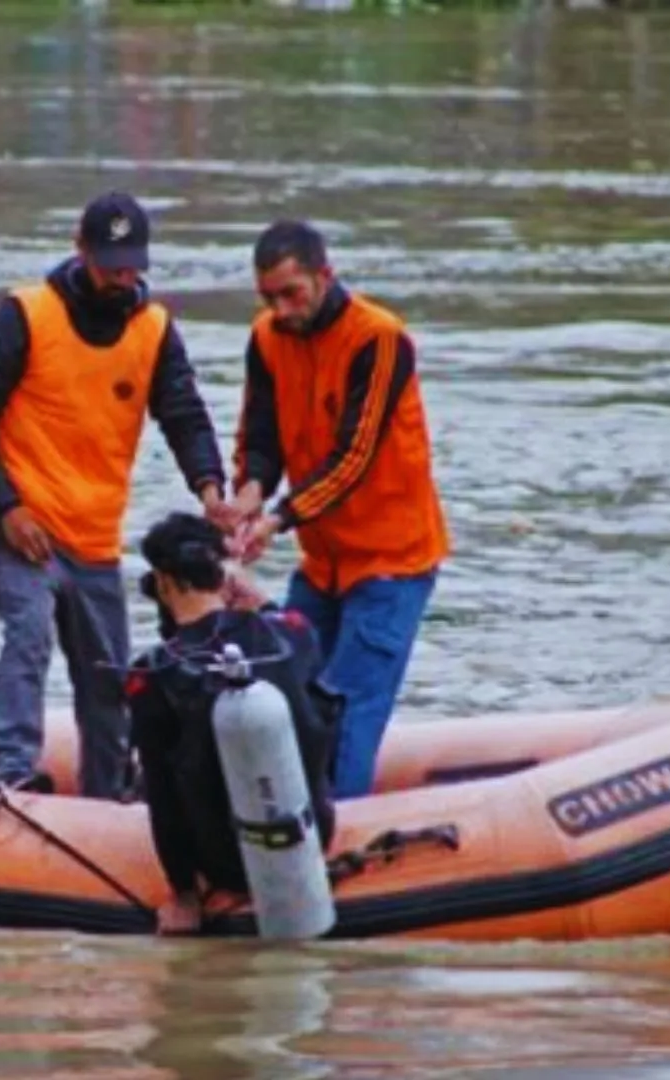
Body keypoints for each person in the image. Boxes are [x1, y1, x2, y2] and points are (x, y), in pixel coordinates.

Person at [0, 191, 230, 800]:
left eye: (132, 265)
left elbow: (183, 413)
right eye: (110, 265)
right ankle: (8, 768)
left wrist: (210, 487)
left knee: (108, 683)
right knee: (29, 632)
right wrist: (6, 508)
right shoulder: (25, 315)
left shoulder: (153, 329)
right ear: (80, 251)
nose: (122, 277)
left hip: (96, 540)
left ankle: (107, 794)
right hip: (22, 530)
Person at [226, 220, 450, 799]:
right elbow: (261, 434)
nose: (281, 308)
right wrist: (249, 492)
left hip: (391, 561)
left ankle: (333, 838)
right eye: (269, 297)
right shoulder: (267, 337)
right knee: (287, 693)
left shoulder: (379, 339)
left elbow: (354, 457)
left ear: (324, 276)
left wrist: (277, 518)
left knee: (347, 712)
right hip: (323, 560)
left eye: (291, 293)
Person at [125, 512, 337, 937]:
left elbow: (164, 797)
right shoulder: (292, 635)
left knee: (151, 777)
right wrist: (259, 600)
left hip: (224, 863)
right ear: (225, 574)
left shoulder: (153, 673)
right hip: (316, 830)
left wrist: (183, 893)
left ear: (163, 583)